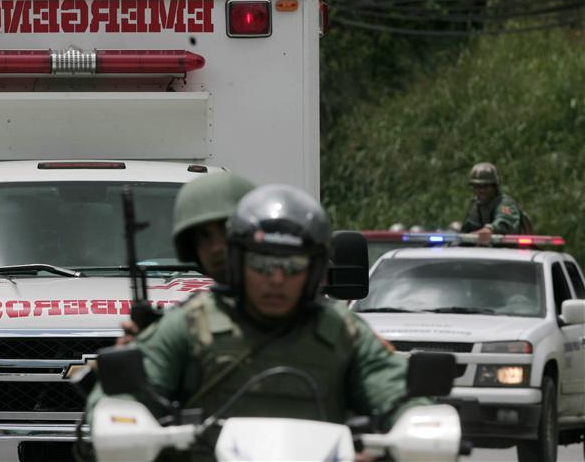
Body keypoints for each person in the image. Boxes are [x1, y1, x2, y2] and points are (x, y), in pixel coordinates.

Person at [87, 185, 425, 446]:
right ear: (239, 263)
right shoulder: (190, 324)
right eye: (261, 264)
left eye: (292, 266)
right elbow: (125, 392)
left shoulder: (341, 329)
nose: (276, 279)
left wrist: (420, 420)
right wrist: (120, 416)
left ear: (314, 271)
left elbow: (393, 389)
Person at [117, 171, 255, 344]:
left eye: (227, 231)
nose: (216, 248)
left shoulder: (285, 302)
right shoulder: (187, 323)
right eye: (204, 236)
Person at [460, 162, 521, 244]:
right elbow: (469, 227)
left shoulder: (505, 202)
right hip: (481, 250)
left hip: (507, 249)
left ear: (494, 186)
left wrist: (490, 229)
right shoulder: (477, 205)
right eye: (477, 186)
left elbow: (504, 221)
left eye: (485, 186)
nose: (481, 190)